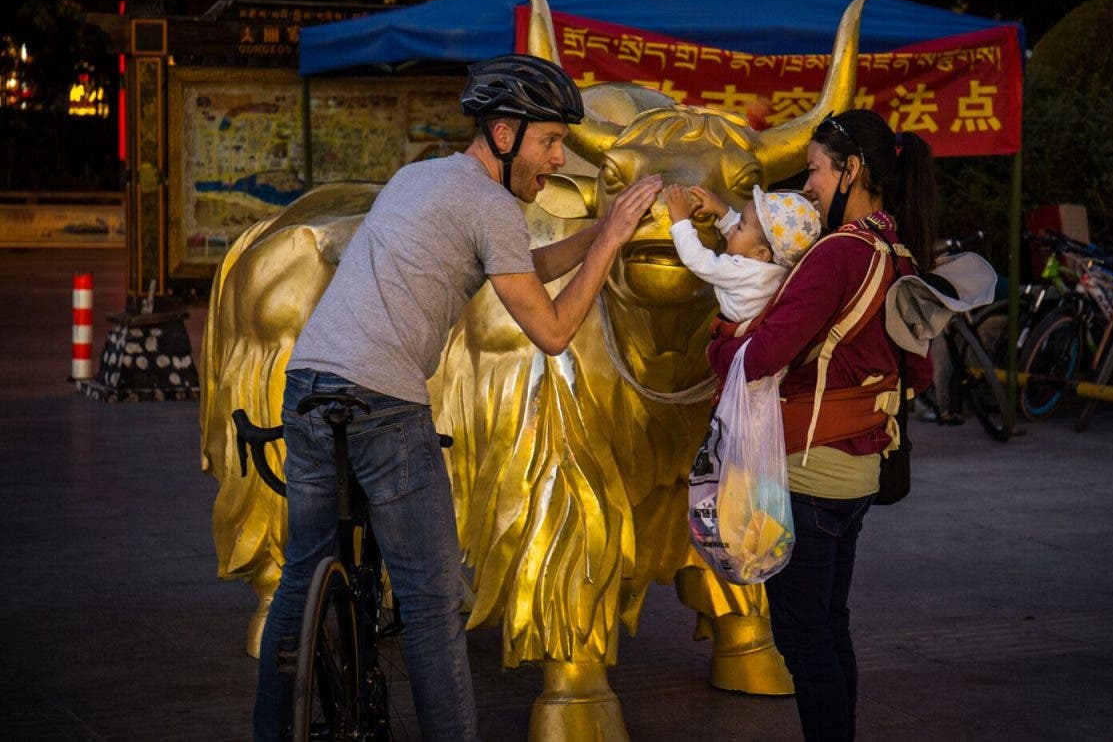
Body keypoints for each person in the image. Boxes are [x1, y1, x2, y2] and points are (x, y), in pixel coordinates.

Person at [252, 54, 661, 740]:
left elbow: (522, 267)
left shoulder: (418, 178)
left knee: (300, 576)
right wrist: (613, 239)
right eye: (548, 141)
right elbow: (553, 331)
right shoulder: (492, 205)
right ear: (503, 133)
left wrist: (600, 232)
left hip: (309, 385)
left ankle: (271, 731)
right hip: (384, 404)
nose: (557, 159)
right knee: (431, 603)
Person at [706, 109, 936, 740]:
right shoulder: (898, 253)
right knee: (829, 626)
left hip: (807, 471)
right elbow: (920, 372)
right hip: (858, 472)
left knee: (804, 638)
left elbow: (762, 357)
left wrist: (721, 339)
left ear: (851, 169)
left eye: (814, 170)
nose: (807, 187)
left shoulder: (838, 253)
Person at [663, 183, 821, 322]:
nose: (732, 229)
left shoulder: (742, 271)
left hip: (731, 330)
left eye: (739, 227)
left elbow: (697, 259)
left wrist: (680, 221)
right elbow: (750, 236)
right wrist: (721, 209)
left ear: (762, 254)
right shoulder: (778, 266)